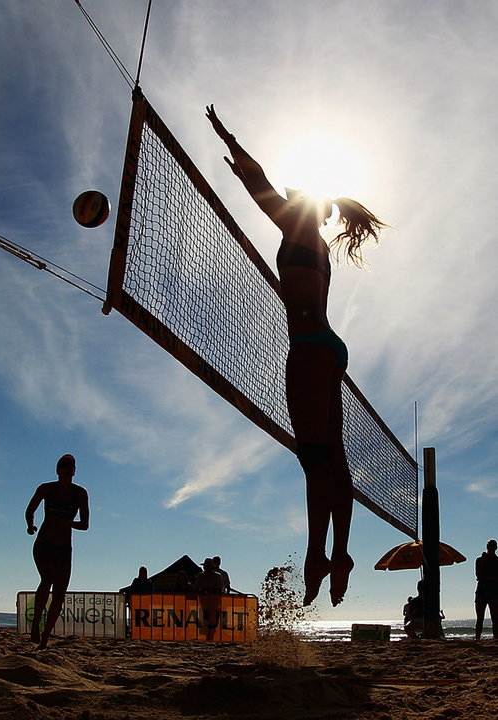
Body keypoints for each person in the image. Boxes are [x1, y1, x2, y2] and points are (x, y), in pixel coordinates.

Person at [206, 105, 387, 607]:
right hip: (328, 347)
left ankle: (317, 555)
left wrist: (231, 140)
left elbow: (257, 182)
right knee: (336, 460)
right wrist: (238, 154)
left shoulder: (298, 226)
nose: (281, 198)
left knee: (315, 462)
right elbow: (263, 184)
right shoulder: (315, 239)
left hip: (308, 349)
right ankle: (341, 554)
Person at [25, 454, 89, 649]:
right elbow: (30, 510)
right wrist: (30, 526)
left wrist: (68, 523)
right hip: (44, 543)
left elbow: (85, 525)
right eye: (64, 466)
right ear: (58, 469)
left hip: (64, 548)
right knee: (47, 579)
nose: (68, 469)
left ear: (74, 471)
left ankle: (45, 638)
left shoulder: (80, 493)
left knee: (59, 594)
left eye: (71, 466)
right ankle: (36, 622)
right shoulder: (46, 488)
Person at [475, 539, 498, 640]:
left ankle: (495, 638)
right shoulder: (480, 560)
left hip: (494, 591)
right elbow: (478, 575)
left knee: (495, 618)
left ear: (495, 548)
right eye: (489, 546)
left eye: (492, 546)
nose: (491, 548)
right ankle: (477, 638)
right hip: (482, 591)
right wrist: (484, 562)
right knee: (480, 618)